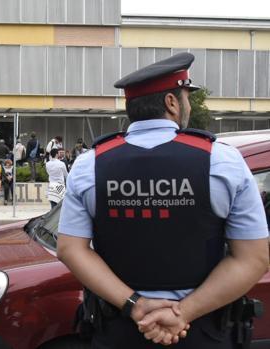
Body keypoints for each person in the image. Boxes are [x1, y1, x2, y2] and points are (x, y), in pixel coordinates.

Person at [57, 53, 269, 348]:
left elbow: (70, 249)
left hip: (121, 329)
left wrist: (136, 305)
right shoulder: (222, 160)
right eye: (186, 98)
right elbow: (253, 258)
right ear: (172, 102)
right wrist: (183, 313)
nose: (188, 106)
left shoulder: (89, 164)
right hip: (204, 332)